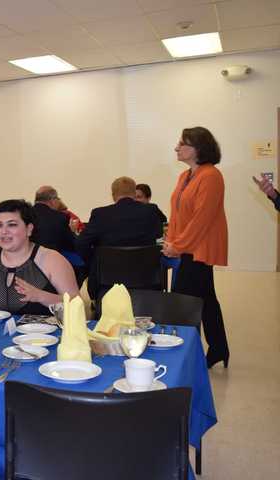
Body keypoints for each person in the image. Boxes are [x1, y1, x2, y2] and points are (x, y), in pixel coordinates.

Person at [163, 127, 229, 369]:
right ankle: (219, 348)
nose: (177, 147)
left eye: (182, 143)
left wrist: (178, 246)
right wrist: (170, 241)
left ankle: (186, 354)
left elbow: (202, 219)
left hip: (199, 249)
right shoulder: (185, 176)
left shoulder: (211, 176)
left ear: (198, 148)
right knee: (205, 300)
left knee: (183, 301)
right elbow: (177, 213)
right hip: (187, 247)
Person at [0, 199, 79, 315]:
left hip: (44, 334)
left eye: (12, 225)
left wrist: (41, 296)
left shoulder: (52, 260)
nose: (4, 231)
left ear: (29, 229)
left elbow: (78, 307)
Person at [75, 177, 164, 300]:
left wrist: (95, 260)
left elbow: (81, 243)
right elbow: (159, 234)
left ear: (113, 195)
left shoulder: (100, 214)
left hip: (107, 282)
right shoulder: (150, 211)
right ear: (134, 193)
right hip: (146, 280)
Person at [30, 186, 77, 252]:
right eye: (57, 199)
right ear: (52, 200)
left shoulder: (25, 215)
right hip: (52, 258)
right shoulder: (61, 217)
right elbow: (71, 245)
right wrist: (73, 231)